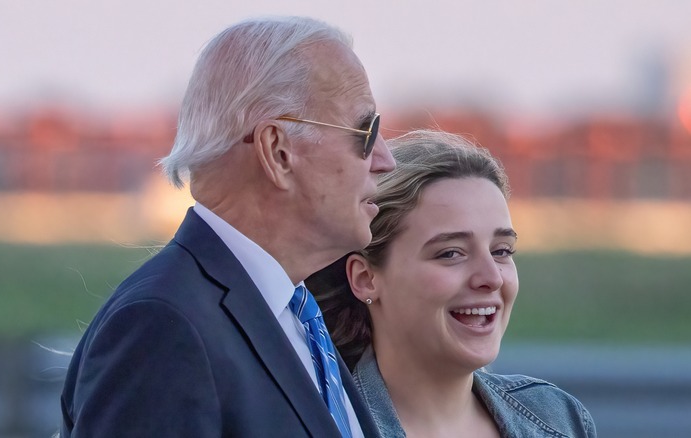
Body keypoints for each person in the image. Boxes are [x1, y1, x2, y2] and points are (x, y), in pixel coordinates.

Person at [59, 16, 396, 437]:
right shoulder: (165, 327)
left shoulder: (293, 313)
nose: (386, 159)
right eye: (366, 132)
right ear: (278, 151)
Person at [307, 130, 597, 437]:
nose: (491, 278)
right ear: (365, 279)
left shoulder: (558, 419)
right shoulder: (318, 426)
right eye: (451, 253)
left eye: (501, 251)